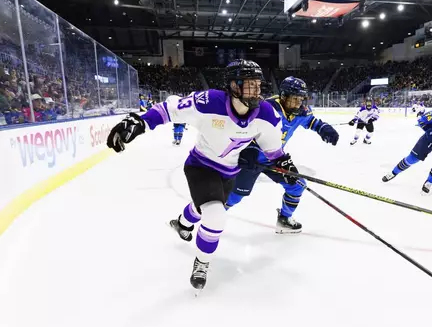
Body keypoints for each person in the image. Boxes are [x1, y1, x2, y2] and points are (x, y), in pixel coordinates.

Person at [106, 60, 297, 291]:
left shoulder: (266, 113)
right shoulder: (209, 102)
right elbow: (169, 109)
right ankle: (202, 263)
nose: (256, 90)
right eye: (250, 84)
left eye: (258, 84)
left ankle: (182, 224)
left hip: (230, 172)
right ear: (234, 86)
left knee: (201, 208)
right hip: (200, 166)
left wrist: (285, 165)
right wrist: (138, 122)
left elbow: (273, 149)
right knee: (215, 215)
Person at [224, 76, 339, 233]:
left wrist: (324, 128)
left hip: (276, 159)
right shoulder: (266, 108)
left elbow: (312, 121)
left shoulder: (300, 112)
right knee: (235, 196)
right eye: (295, 98)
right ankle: (209, 216)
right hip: (251, 159)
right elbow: (243, 128)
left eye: (301, 99)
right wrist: (248, 149)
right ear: (284, 96)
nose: (299, 102)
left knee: (297, 186)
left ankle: (284, 219)